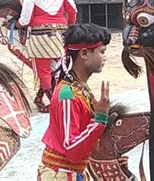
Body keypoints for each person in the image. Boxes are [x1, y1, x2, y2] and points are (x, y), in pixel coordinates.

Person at [37, 23, 115, 180]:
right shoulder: (68, 94)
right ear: (84, 54)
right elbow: (72, 148)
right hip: (61, 174)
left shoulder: (79, 88)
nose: (105, 57)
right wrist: (100, 118)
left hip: (73, 171)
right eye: (102, 52)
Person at [17, 0, 77, 113]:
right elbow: (72, 10)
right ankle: (60, 98)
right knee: (62, 68)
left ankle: (54, 102)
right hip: (61, 34)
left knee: (43, 71)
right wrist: (70, 25)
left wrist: (17, 24)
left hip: (39, 37)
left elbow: (25, 19)